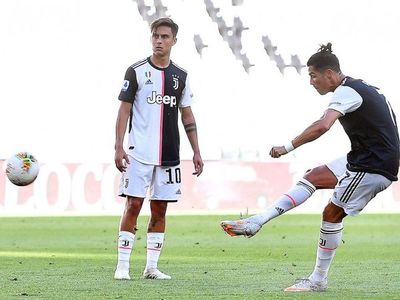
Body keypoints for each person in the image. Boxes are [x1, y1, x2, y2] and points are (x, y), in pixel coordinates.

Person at [221, 43, 399, 291]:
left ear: (329, 74)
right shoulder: (362, 87)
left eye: (313, 75)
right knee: (313, 176)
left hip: (373, 165)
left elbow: (322, 125)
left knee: (331, 214)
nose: (311, 82)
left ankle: (317, 280)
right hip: (366, 156)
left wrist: (287, 146)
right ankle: (257, 221)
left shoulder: (346, 92)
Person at [113, 17, 204, 281]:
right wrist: (118, 147)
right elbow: (123, 110)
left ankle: (151, 267)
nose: (159, 41)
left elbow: (187, 116)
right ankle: (123, 266)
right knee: (133, 205)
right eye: (155, 36)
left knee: (160, 209)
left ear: (174, 40)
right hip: (139, 152)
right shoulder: (136, 71)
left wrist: (196, 151)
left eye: (165, 37)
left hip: (169, 154)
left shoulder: (181, 77)